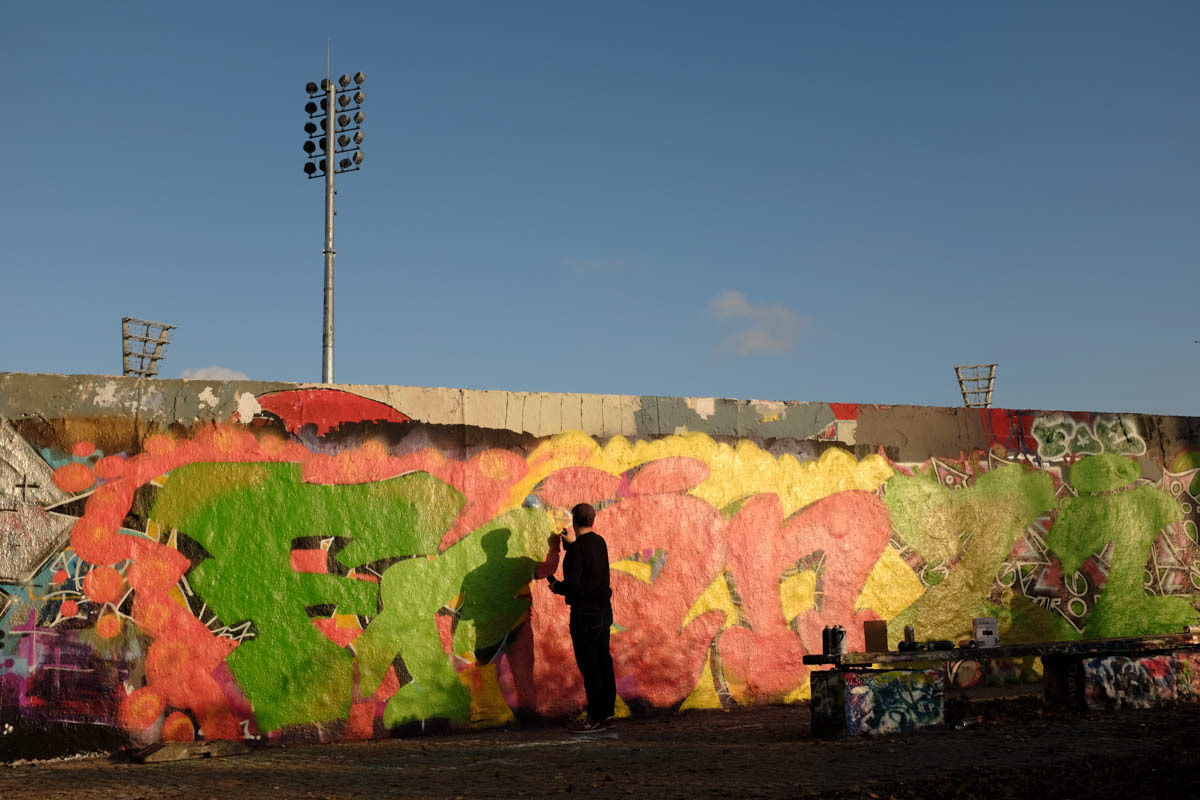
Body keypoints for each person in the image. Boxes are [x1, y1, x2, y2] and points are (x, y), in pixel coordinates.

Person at [546, 502, 616, 733]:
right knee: (603, 662)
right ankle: (606, 714)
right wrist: (572, 547)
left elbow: (574, 586)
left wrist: (557, 586)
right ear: (591, 520)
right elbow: (587, 562)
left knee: (590, 666)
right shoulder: (600, 543)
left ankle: (594, 717)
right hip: (603, 612)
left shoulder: (576, 551)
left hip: (585, 616)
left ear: (574, 522)